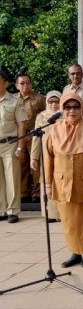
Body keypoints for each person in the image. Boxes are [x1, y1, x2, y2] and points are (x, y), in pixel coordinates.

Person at [44, 91, 83, 268]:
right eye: (67, 106)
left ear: (82, 108)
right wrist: (48, 184)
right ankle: (75, 251)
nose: (72, 110)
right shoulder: (53, 130)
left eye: (76, 106)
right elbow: (48, 159)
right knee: (70, 221)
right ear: (62, 108)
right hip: (63, 182)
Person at [0, 68, 27, 224]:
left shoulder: (15, 101)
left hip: (10, 144)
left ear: (6, 83)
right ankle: (1, 209)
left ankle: (13, 210)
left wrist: (20, 146)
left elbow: (21, 125)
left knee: (12, 178)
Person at [31, 90, 62, 223]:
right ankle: (49, 213)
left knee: (61, 182)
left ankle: (62, 213)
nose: (54, 104)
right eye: (51, 101)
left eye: (56, 101)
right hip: (45, 154)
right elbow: (36, 138)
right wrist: (34, 157)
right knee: (46, 181)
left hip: (62, 154)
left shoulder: (65, 115)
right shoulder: (41, 117)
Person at [15, 74, 46, 203]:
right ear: (17, 85)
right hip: (20, 135)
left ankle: (37, 193)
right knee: (22, 164)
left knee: (36, 164)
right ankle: (24, 192)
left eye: (27, 83)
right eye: (22, 83)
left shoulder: (39, 99)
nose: (25, 85)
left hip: (35, 135)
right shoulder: (13, 100)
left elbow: (46, 114)